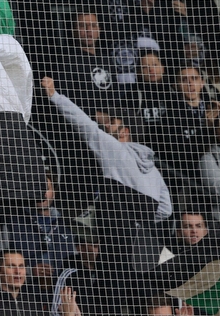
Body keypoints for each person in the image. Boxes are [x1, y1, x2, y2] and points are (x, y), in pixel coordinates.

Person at [42, 77, 171, 314]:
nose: (107, 127)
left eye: (113, 123)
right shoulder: (154, 171)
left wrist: (54, 95)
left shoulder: (116, 150)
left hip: (116, 251)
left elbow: (86, 126)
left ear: (125, 132)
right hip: (146, 252)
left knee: (104, 307)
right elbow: (166, 210)